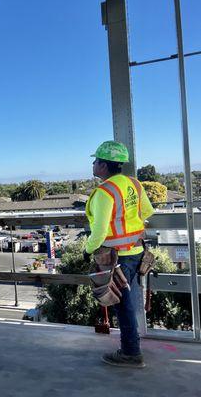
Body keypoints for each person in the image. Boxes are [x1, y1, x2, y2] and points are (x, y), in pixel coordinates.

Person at [84, 141, 154, 368]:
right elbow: (148, 211)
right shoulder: (133, 184)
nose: (93, 164)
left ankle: (131, 353)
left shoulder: (104, 192)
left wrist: (88, 250)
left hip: (118, 258)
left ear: (104, 166)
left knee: (122, 304)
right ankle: (131, 348)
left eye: (96, 161)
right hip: (137, 251)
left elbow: (100, 231)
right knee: (127, 301)